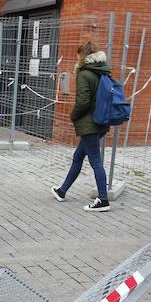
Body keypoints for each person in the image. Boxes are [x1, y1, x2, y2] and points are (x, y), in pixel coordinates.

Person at [51, 42, 112, 211]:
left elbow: (83, 101)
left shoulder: (85, 73)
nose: (77, 58)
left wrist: (74, 115)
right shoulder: (102, 71)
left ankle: (103, 200)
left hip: (89, 124)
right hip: (101, 121)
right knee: (78, 156)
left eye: (78, 55)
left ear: (83, 56)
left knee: (95, 161)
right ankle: (62, 191)